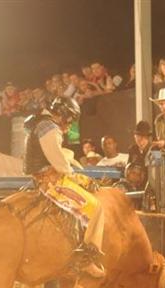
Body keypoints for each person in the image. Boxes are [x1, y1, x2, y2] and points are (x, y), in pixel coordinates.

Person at [23, 95, 106, 278]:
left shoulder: (41, 123)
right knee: (96, 208)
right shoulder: (50, 128)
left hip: (42, 175)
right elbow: (60, 164)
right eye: (70, 120)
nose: (69, 125)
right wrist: (75, 176)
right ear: (64, 115)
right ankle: (86, 259)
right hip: (51, 181)